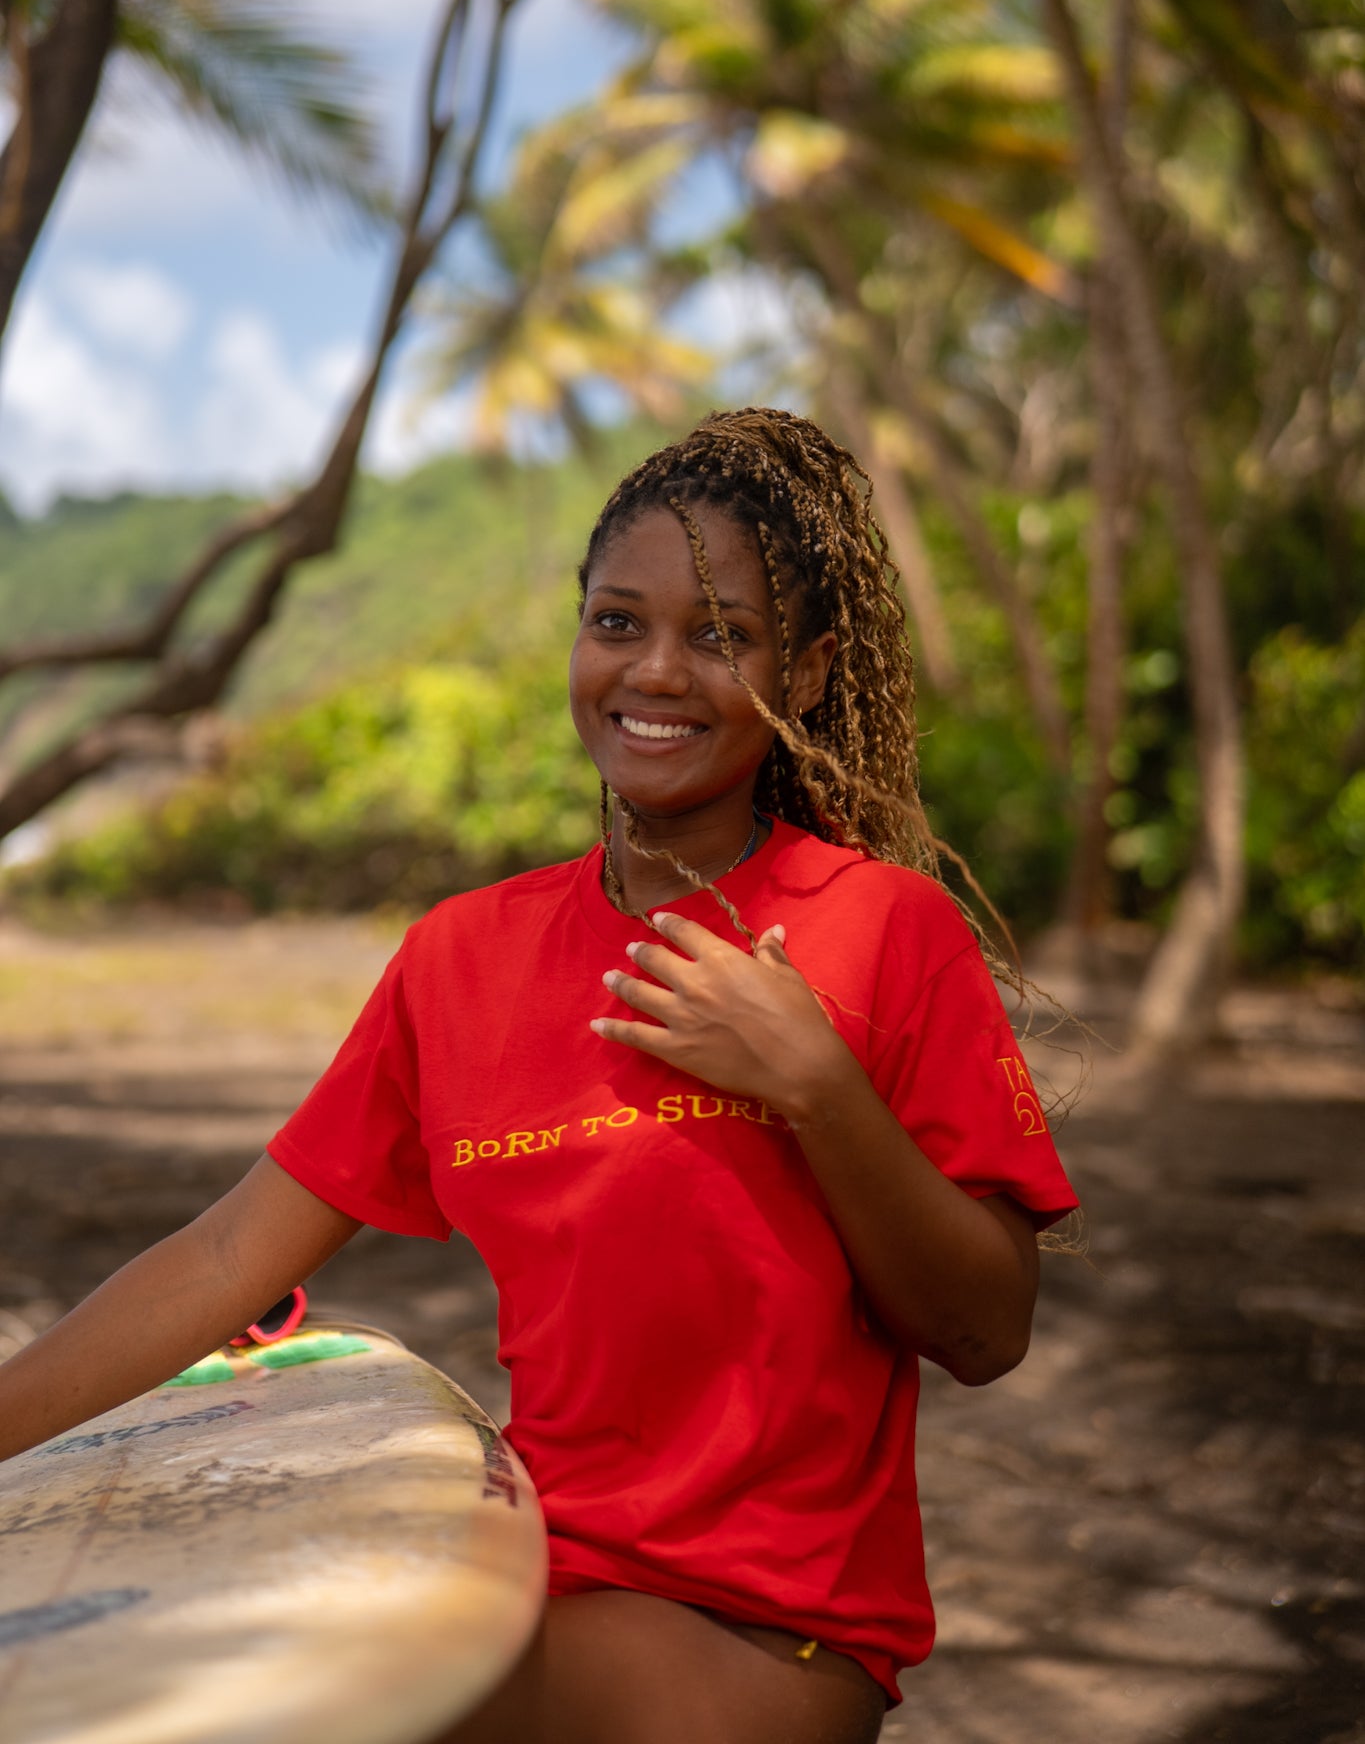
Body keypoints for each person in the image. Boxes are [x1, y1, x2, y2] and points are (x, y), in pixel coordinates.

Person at [0, 408, 1078, 1744]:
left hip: (768, 1631)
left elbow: (985, 1330)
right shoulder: (463, 957)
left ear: (805, 673)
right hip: (525, 1566)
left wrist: (817, 1087)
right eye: (618, 622)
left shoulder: (881, 930)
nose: (658, 670)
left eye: (720, 634)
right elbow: (229, 1255)